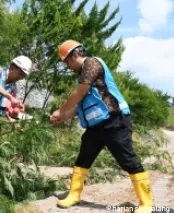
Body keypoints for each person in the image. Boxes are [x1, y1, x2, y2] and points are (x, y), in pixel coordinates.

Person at [50, 40, 152, 213]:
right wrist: (64, 116)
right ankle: (74, 195)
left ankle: (146, 203)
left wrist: (60, 110)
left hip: (116, 121)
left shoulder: (92, 63)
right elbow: (81, 104)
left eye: (67, 62)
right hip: (96, 127)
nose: (68, 66)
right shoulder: (83, 75)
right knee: (83, 159)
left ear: (74, 55)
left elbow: (80, 92)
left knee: (128, 161)